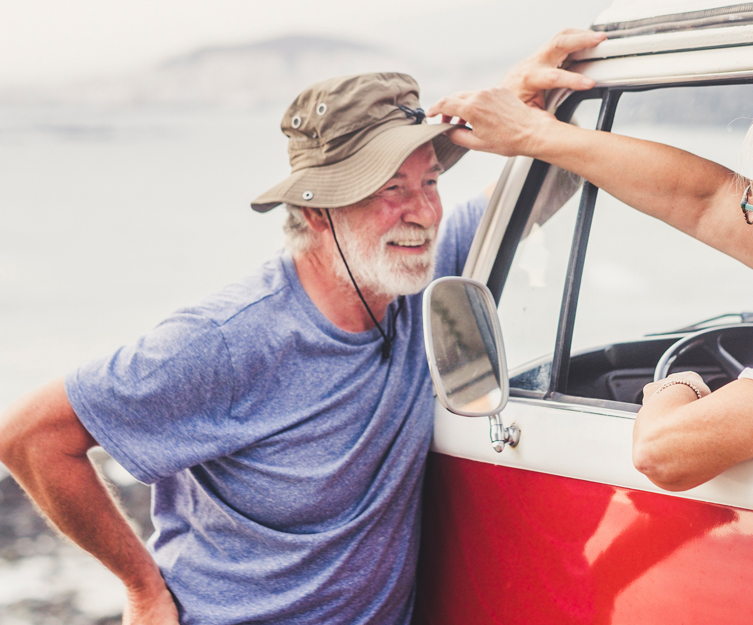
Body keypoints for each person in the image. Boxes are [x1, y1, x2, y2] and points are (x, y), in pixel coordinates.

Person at [0, 32, 606, 625]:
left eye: (429, 181)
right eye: (389, 189)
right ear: (317, 210)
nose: (421, 211)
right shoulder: (229, 339)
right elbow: (29, 435)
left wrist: (532, 101)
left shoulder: (418, 277)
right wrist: (140, 587)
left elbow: (546, 181)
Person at [430, 65, 753, 493]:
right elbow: (704, 199)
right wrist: (533, 133)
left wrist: (676, 384)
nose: (746, 216)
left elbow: (661, 452)